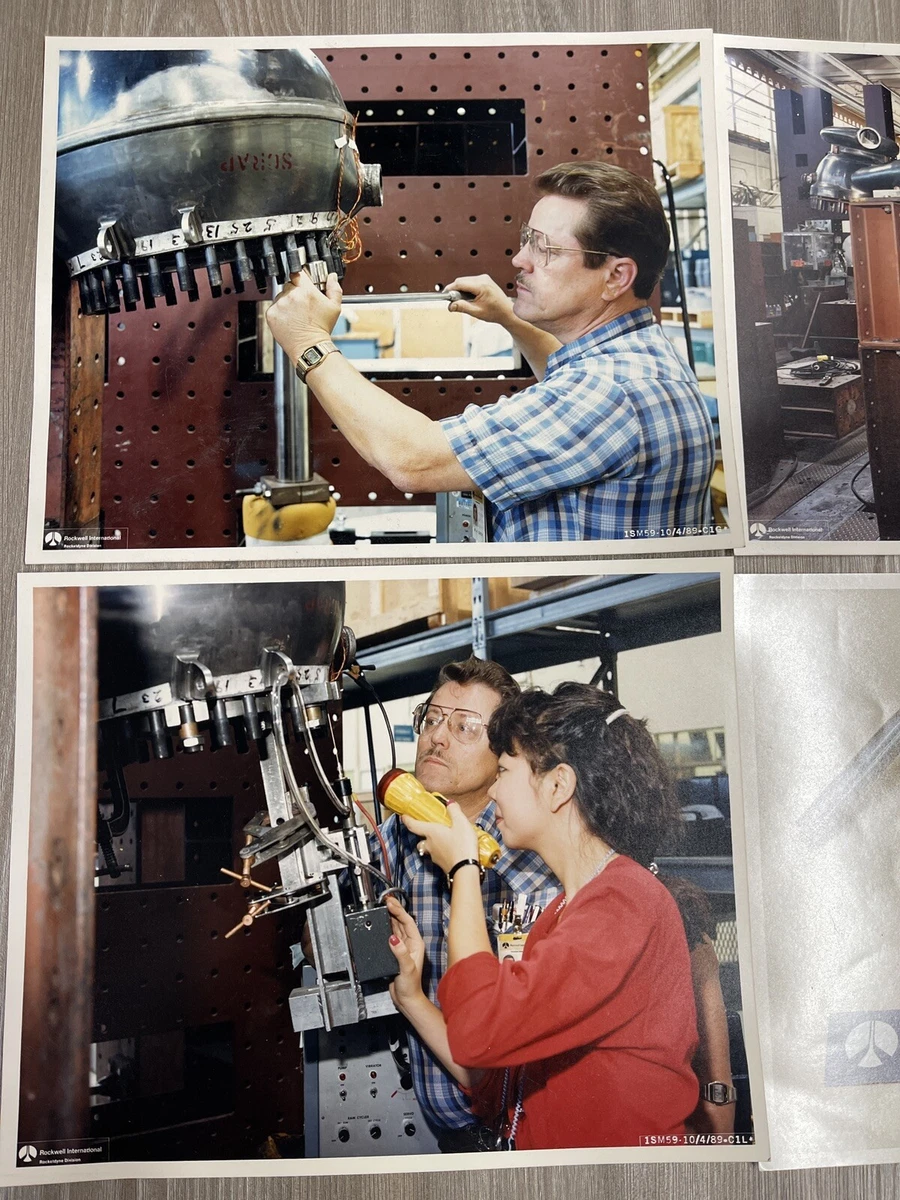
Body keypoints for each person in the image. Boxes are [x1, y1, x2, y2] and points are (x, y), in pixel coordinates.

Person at [265, 161, 716, 542]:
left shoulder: (610, 391)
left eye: (546, 249)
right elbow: (567, 381)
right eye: (527, 238)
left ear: (616, 276)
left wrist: (309, 343)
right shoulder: (638, 354)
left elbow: (413, 461)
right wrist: (510, 317)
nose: (521, 259)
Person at [385, 683, 699, 1149]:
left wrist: (464, 868)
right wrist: (412, 996)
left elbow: (478, 1031)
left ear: (557, 785)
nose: (493, 791)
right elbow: (493, 1073)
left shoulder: (624, 904)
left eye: (505, 771)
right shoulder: (562, 913)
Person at [375, 657, 559, 1152]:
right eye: (432, 719)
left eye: (464, 728)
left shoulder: (533, 852)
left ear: (503, 752)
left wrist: (469, 861)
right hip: (436, 1127)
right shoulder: (392, 833)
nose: (437, 738)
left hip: (516, 1132)